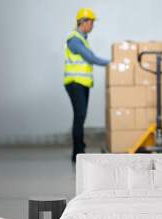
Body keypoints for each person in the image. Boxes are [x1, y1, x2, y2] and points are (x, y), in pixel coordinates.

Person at [64, 8, 110, 162]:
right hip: (75, 83)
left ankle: (79, 148)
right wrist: (111, 63)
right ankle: (77, 151)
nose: (92, 26)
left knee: (81, 116)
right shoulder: (74, 39)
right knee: (79, 116)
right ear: (83, 22)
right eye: (91, 22)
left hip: (82, 83)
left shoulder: (82, 39)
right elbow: (90, 58)